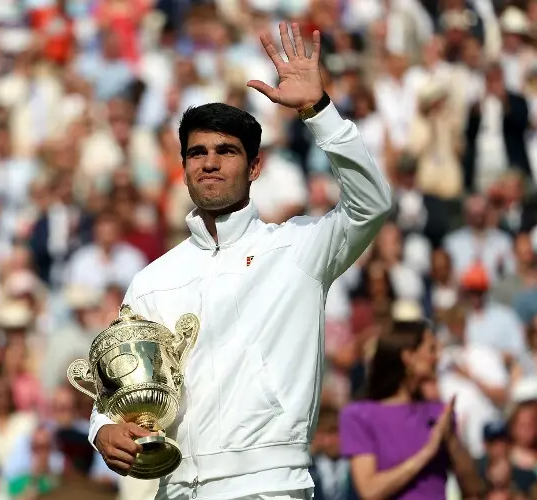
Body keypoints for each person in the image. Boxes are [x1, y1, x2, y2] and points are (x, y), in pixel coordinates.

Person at [89, 21, 394, 500]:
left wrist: (320, 112)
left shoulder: (300, 248)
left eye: (226, 151)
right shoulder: (154, 279)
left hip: (271, 486)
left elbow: (371, 204)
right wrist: (103, 429)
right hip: (177, 489)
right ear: (184, 167)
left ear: (255, 167)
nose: (209, 162)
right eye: (197, 153)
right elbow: (120, 381)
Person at [339, 323, 484, 499]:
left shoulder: (439, 413)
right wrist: (427, 452)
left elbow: (472, 488)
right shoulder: (359, 415)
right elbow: (369, 490)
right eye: (431, 349)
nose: (438, 357)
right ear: (408, 356)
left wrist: (452, 440)